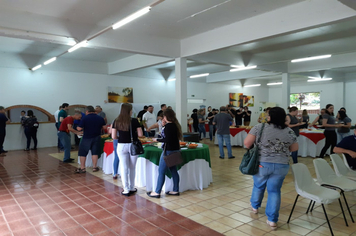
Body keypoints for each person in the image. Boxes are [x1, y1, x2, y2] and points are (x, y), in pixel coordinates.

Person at [244, 107, 298, 230]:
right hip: (281, 165)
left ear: (270, 117)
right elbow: (294, 148)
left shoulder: (259, 127)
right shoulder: (289, 131)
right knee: (274, 191)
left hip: (263, 163)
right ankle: (272, 220)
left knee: (258, 185)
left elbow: (247, 144)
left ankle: (255, 207)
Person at [147, 109, 182, 198]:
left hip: (168, 151)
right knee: (174, 170)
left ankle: (157, 192)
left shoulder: (168, 127)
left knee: (161, 171)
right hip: (176, 150)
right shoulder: (175, 125)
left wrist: (157, 139)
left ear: (165, 117)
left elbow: (166, 140)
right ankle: (175, 190)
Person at [111, 103, 143, 196]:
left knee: (123, 167)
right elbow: (140, 134)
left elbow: (113, 136)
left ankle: (126, 189)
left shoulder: (116, 121)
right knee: (132, 167)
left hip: (121, 145)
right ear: (129, 111)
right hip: (133, 145)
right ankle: (132, 187)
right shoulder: (134, 121)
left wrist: (121, 136)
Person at [76, 106, 106, 173]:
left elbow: (79, 128)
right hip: (97, 137)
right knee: (95, 153)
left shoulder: (85, 118)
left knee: (83, 153)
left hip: (87, 137)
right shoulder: (100, 118)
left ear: (87, 111)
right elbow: (104, 127)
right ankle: (94, 167)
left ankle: (82, 168)